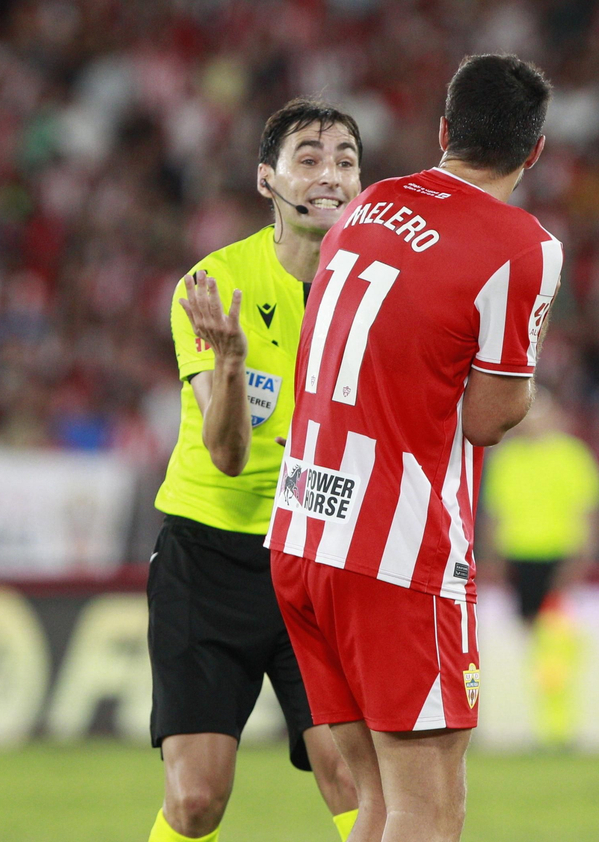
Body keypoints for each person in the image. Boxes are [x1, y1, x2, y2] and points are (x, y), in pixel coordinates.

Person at [268, 54, 563, 842]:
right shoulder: (522, 244)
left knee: (377, 805)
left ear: (442, 131)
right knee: (428, 814)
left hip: (303, 533)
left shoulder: (369, 204)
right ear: (534, 151)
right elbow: (488, 418)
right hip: (395, 553)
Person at [148, 101, 363, 842]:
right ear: (266, 179)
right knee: (196, 802)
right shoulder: (214, 284)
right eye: (309, 158)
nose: (329, 174)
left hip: (315, 554)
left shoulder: (375, 292)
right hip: (209, 555)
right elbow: (228, 455)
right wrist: (233, 363)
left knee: (353, 777)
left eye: (345, 160)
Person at [479, 387, 599, 749]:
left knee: (552, 642)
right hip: (519, 559)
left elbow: (588, 512)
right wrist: (495, 561)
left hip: (557, 557)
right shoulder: (508, 458)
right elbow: (495, 514)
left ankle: (557, 729)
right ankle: (551, 728)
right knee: (538, 642)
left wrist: (579, 561)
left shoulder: (571, 456)